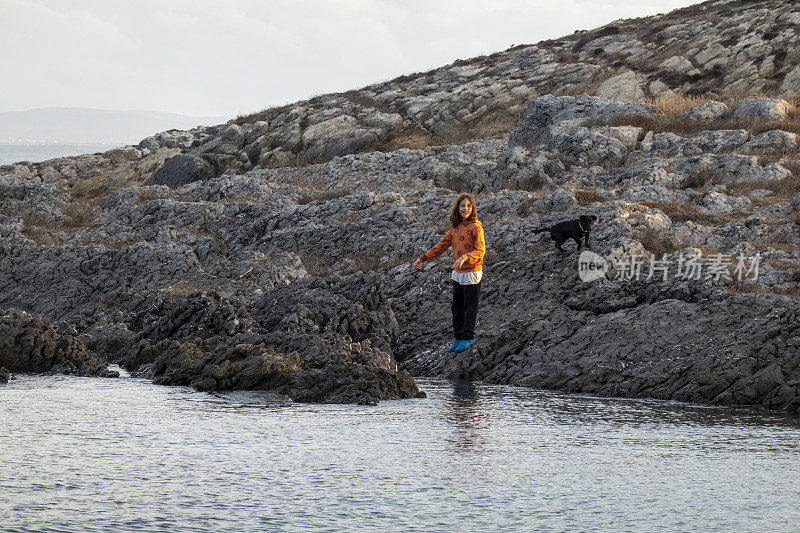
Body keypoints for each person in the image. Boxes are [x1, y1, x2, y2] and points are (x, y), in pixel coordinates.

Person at [413, 193, 485, 353]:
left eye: (468, 205)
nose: (465, 208)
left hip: (472, 273)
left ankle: (468, 337)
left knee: (469, 307)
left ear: (472, 208)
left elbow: (480, 250)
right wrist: (423, 258)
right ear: (457, 208)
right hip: (458, 273)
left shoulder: (476, 227)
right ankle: (458, 337)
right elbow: (443, 244)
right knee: (457, 307)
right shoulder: (455, 227)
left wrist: (465, 257)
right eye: (462, 206)